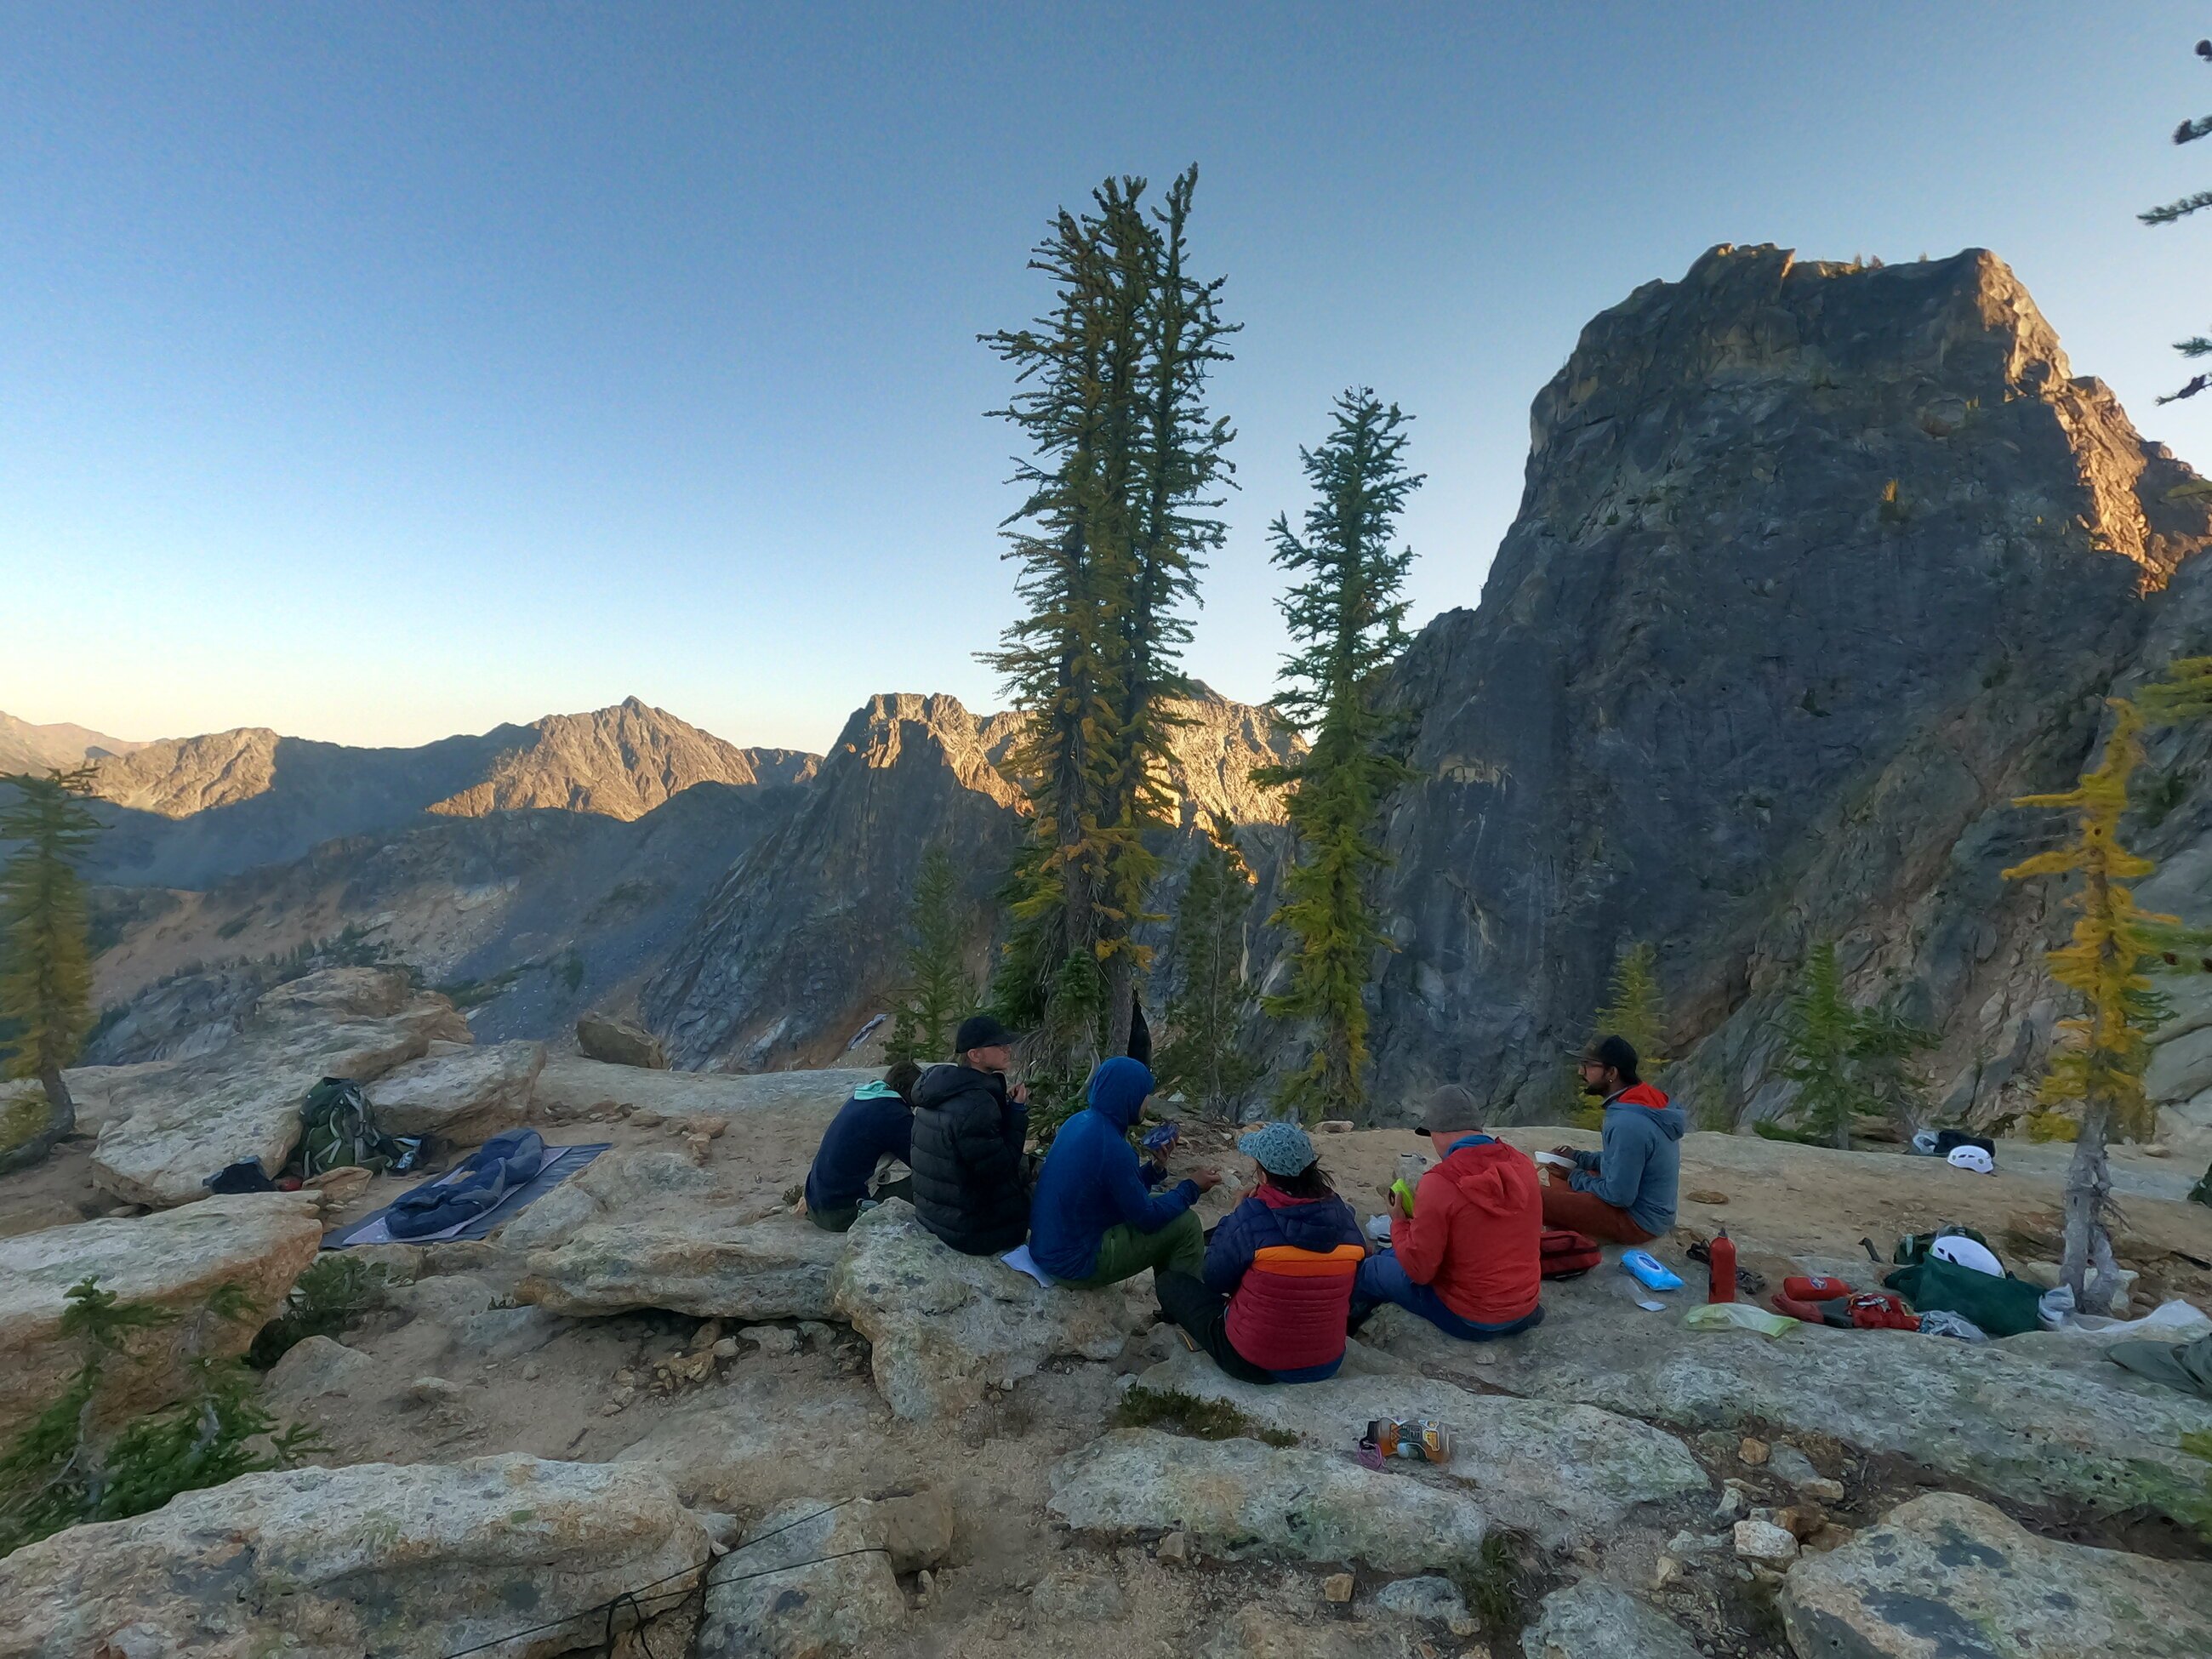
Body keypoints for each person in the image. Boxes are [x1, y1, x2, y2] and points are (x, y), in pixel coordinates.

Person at [1156, 1119, 1366, 1383]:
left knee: (1169, 1283)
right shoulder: (1343, 1217)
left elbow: (1213, 1278)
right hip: (1326, 1364)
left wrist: (1234, 1216)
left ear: (1264, 1176)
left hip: (1253, 1363)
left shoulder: (1251, 1217)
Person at [1347, 1085, 1542, 1341]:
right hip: (1525, 1307)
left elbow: (1419, 1272)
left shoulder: (1440, 1182)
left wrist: (1399, 1222)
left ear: (1437, 1132)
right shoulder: (1523, 1165)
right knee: (1393, 1254)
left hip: (1470, 1317)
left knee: (1372, 1270)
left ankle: (1347, 1330)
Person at [1029, 1056, 1217, 1285]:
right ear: (1128, 1097)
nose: (1147, 1102)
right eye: (1143, 1095)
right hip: (1075, 1263)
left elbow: (1118, 1192)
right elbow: (1146, 1219)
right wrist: (1192, 1187)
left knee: (1165, 1202)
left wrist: (1156, 1169)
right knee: (1185, 1222)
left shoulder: (1079, 1121)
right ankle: (1186, 1303)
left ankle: (1174, 1297)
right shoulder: (1113, 1147)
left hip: (1050, 1247)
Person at [909, 1014, 1033, 1256]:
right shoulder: (977, 1106)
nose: (1007, 1049)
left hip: (934, 1214)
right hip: (969, 1231)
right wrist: (1017, 1111)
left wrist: (1000, 1105)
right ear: (974, 1055)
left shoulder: (941, 1090)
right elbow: (1001, 1168)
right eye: (998, 1045)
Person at [1542, 1035, 1685, 1245]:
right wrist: (1579, 1159)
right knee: (1559, 1175)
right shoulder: (1642, 1102)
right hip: (1651, 1211)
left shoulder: (1627, 1123)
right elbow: (1623, 1161)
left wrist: (1574, 1176)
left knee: (1532, 1197)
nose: (1581, 1072)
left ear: (1611, 1073)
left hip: (1638, 1221)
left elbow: (1619, 1196)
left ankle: (1568, 1236)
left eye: (1588, 1066)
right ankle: (1569, 1228)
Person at [802, 1059, 921, 1232]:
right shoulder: (894, 1116)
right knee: (930, 1185)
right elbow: (926, 1163)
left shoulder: (862, 1098)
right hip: (842, 1214)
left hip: (816, 1203)